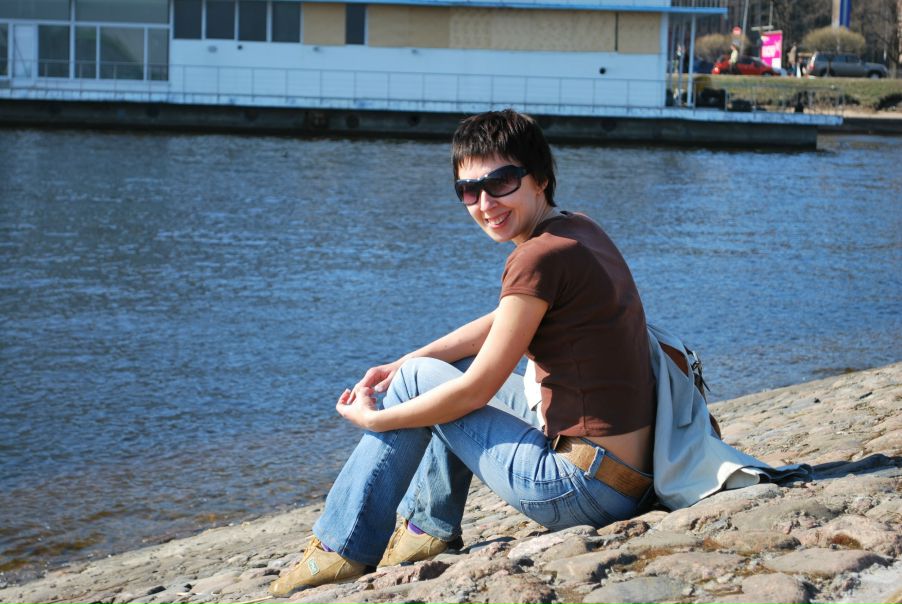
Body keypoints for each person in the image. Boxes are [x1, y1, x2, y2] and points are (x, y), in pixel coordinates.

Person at [269, 109, 656, 597]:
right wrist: (406, 360)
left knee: (423, 385)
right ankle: (423, 530)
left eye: (501, 182)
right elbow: (502, 322)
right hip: (626, 477)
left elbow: (476, 391)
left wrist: (377, 419)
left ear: (539, 178)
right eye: (469, 190)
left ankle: (340, 548)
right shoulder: (576, 230)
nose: (485, 203)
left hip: (582, 490)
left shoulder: (536, 257)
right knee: (429, 371)